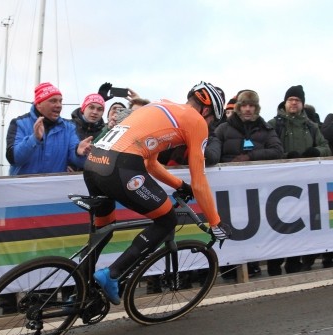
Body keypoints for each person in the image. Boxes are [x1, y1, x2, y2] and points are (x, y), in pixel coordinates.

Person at [84, 81, 231, 305]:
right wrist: (215, 222)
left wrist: (179, 185)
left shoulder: (160, 106)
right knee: (166, 220)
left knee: (102, 231)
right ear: (207, 110)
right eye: (212, 120)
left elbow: (151, 164)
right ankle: (112, 274)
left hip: (94, 164)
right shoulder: (196, 121)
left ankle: (82, 289)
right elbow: (200, 180)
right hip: (119, 167)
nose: (209, 125)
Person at [204, 90, 284, 279]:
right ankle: (229, 267)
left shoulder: (265, 128)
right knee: (229, 226)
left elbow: (278, 150)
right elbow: (214, 152)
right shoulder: (223, 129)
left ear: (257, 108)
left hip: (258, 190)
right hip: (228, 190)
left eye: (252, 105)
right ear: (238, 107)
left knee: (257, 226)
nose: (248, 109)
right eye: (244, 105)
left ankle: (254, 264)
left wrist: (250, 157)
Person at [266, 85, 331, 275]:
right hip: (276, 186)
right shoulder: (273, 124)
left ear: (302, 104)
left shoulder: (311, 127)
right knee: (276, 226)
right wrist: (285, 156)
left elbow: (325, 147)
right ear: (285, 103)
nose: (294, 103)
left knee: (298, 224)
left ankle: (294, 262)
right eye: (290, 100)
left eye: (297, 100)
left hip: (303, 187)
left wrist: (316, 152)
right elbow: (268, 148)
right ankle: (274, 265)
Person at [5, 82, 92, 175]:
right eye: (53, 101)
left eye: (60, 101)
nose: (59, 105)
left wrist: (79, 154)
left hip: (55, 188)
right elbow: (14, 159)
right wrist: (34, 139)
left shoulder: (69, 128)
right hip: (23, 188)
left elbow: (79, 162)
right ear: (39, 104)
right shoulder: (19, 123)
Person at [68, 93, 105, 171]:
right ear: (83, 108)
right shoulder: (68, 126)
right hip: (67, 177)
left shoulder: (105, 132)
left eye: (99, 109)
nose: (95, 112)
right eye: (91, 107)